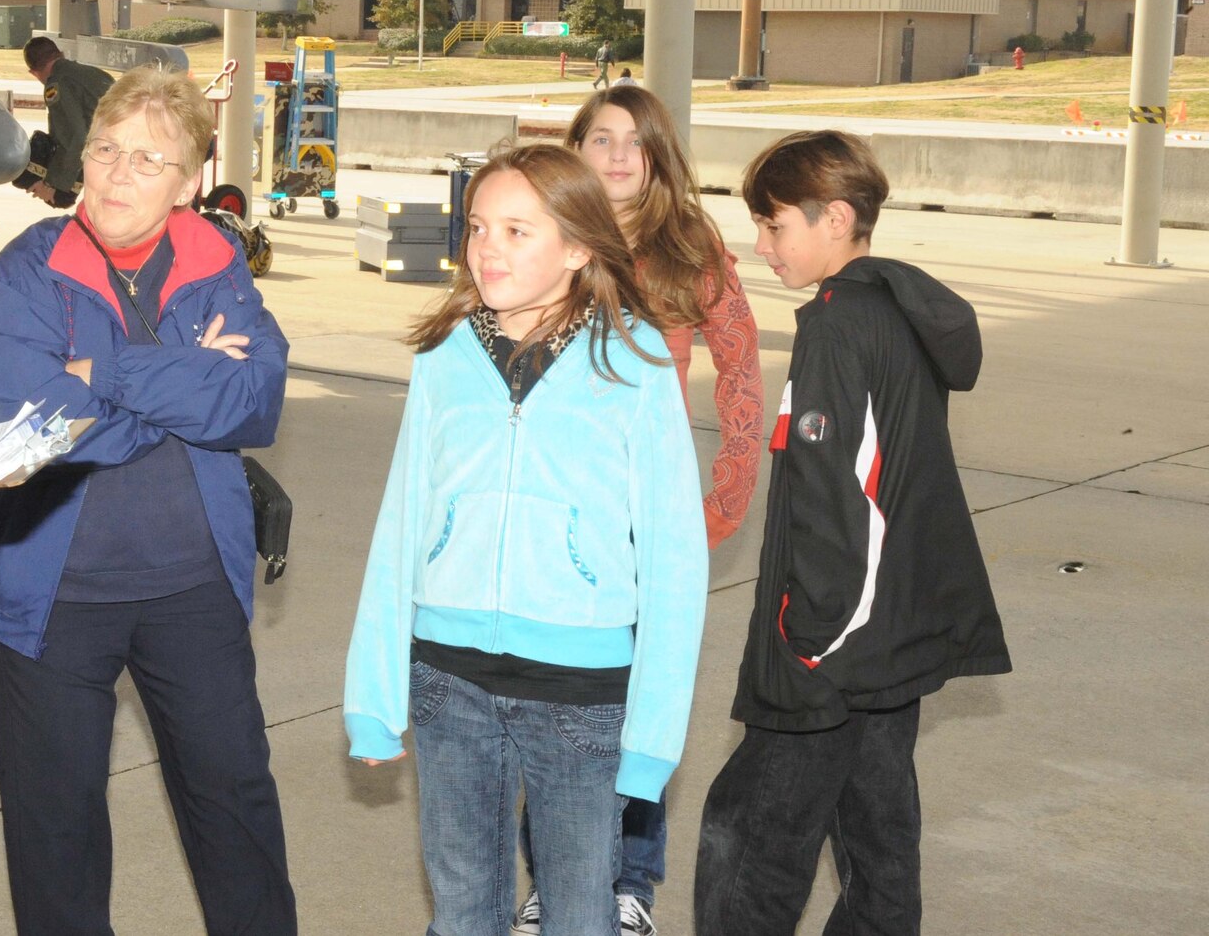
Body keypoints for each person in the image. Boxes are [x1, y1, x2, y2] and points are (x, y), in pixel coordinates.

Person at [0, 65, 297, 935]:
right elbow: (33, 422)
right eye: (106, 147)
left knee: (236, 810)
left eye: (149, 160)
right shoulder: (29, 269)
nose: (115, 171)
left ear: (188, 184)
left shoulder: (217, 260)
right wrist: (184, 387)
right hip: (54, 596)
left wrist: (104, 373)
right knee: (55, 831)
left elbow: (253, 403)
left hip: (195, 590)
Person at [343, 143, 708, 936]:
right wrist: (374, 698)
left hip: (580, 694)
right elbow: (402, 519)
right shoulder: (443, 357)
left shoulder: (636, 361)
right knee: (463, 908)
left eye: (517, 230)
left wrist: (653, 737)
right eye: (478, 226)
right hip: (448, 681)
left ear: (578, 247)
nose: (487, 248)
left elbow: (678, 556)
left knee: (581, 914)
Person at [694, 130, 1012, 936]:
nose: (761, 245)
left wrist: (810, 640)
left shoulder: (837, 324)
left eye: (775, 226)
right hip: (890, 645)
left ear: (835, 217)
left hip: (833, 653)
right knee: (878, 846)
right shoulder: (896, 307)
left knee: (750, 841)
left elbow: (842, 498)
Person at [504, 88, 766, 936]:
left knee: (638, 698)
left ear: (658, 155)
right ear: (575, 147)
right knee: (550, 700)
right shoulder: (541, 237)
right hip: (552, 516)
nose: (617, 156)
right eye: (600, 138)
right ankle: (553, 876)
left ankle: (629, 884)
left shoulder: (689, 248)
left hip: (647, 519)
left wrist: (718, 501)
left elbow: (741, 372)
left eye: (635, 142)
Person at [16, 33, 113, 208]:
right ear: (60, 54)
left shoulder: (56, 84)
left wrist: (53, 184)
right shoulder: (94, 73)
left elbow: (76, 138)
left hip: (109, 159)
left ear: (34, 72)